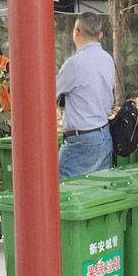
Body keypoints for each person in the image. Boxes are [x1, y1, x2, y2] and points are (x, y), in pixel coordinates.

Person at [56, 12, 115, 179]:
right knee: (97, 189)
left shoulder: (74, 64)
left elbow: (50, 94)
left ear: (76, 31)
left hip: (81, 140)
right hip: (103, 134)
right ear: (100, 35)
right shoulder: (107, 59)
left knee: (62, 188)